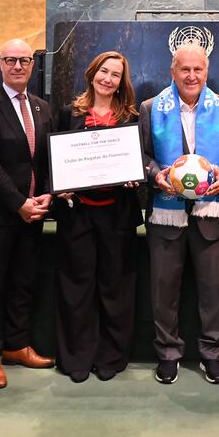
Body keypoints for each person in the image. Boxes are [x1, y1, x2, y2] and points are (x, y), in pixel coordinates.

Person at [140, 42, 219, 385]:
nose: (191, 75)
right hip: (164, 216)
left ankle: (212, 354)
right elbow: (140, 155)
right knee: (164, 291)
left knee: (216, 291)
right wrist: (155, 174)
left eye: (198, 69)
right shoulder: (151, 108)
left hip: (211, 215)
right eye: (184, 69)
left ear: (207, 71)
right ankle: (168, 354)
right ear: (172, 72)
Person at [0, 38, 56, 389]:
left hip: (32, 213)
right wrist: (18, 202)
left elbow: (45, 158)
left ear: (33, 65)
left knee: (23, 281)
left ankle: (17, 345)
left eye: (25, 60)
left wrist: (46, 194)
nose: (18, 66)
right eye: (11, 60)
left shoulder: (41, 108)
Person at [51, 51, 143, 383]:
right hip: (78, 216)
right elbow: (54, 161)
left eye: (115, 75)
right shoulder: (69, 114)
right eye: (103, 71)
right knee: (76, 289)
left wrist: (136, 176)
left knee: (115, 290)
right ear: (92, 74)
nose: (108, 79)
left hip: (116, 217)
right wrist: (59, 185)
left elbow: (139, 161)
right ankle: (77, 358)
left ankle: (111, 356)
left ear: (122, 82)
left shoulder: (130, 117)